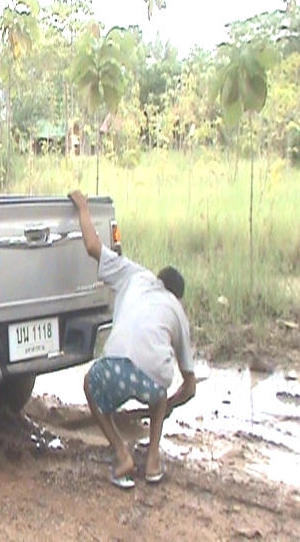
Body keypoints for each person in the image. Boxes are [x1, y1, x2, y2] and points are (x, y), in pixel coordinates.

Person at [68, 189, 196, 489]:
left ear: (157, 278)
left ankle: (122, 453)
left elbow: (92, 244)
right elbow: (189, 387)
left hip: (115, 370)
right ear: (176, 295)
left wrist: (83, 207)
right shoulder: (177, 311)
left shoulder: (134, 274)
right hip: (152, 384)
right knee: (160, 393)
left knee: (91, 384)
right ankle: (152, 459)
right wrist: (168, 406)